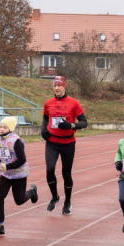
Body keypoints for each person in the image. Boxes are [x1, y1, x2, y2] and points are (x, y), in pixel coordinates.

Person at [41, 76, 88, 215]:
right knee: (50, 169)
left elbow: (84, 122)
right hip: (52, 142)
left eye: (59, 86)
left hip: (68, 143)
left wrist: (71, 125)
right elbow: (45, 118)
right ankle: (55, 197)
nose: (56, 88)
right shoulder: (48, 103)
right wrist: (43, 130)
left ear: (64, 86)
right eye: (54, 86)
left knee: (66, 174)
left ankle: (67, 201)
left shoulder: (74, 103)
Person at [0, 116, 38, 235]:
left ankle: (32, 191)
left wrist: (9, 166)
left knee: (19, 201)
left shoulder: (17, 141)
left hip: (19, 175)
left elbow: (22, 159)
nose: (1, 129)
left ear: (10, 128)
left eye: (5, 127)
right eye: (0, 127)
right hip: (5, 175)